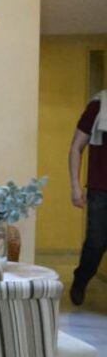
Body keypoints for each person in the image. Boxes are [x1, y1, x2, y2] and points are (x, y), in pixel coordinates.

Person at [68, 90, 107, 305]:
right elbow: (76, 148)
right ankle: (81, 279)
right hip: (101, 189)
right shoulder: (98, 107)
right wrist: (75, 186)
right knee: (96, 243)